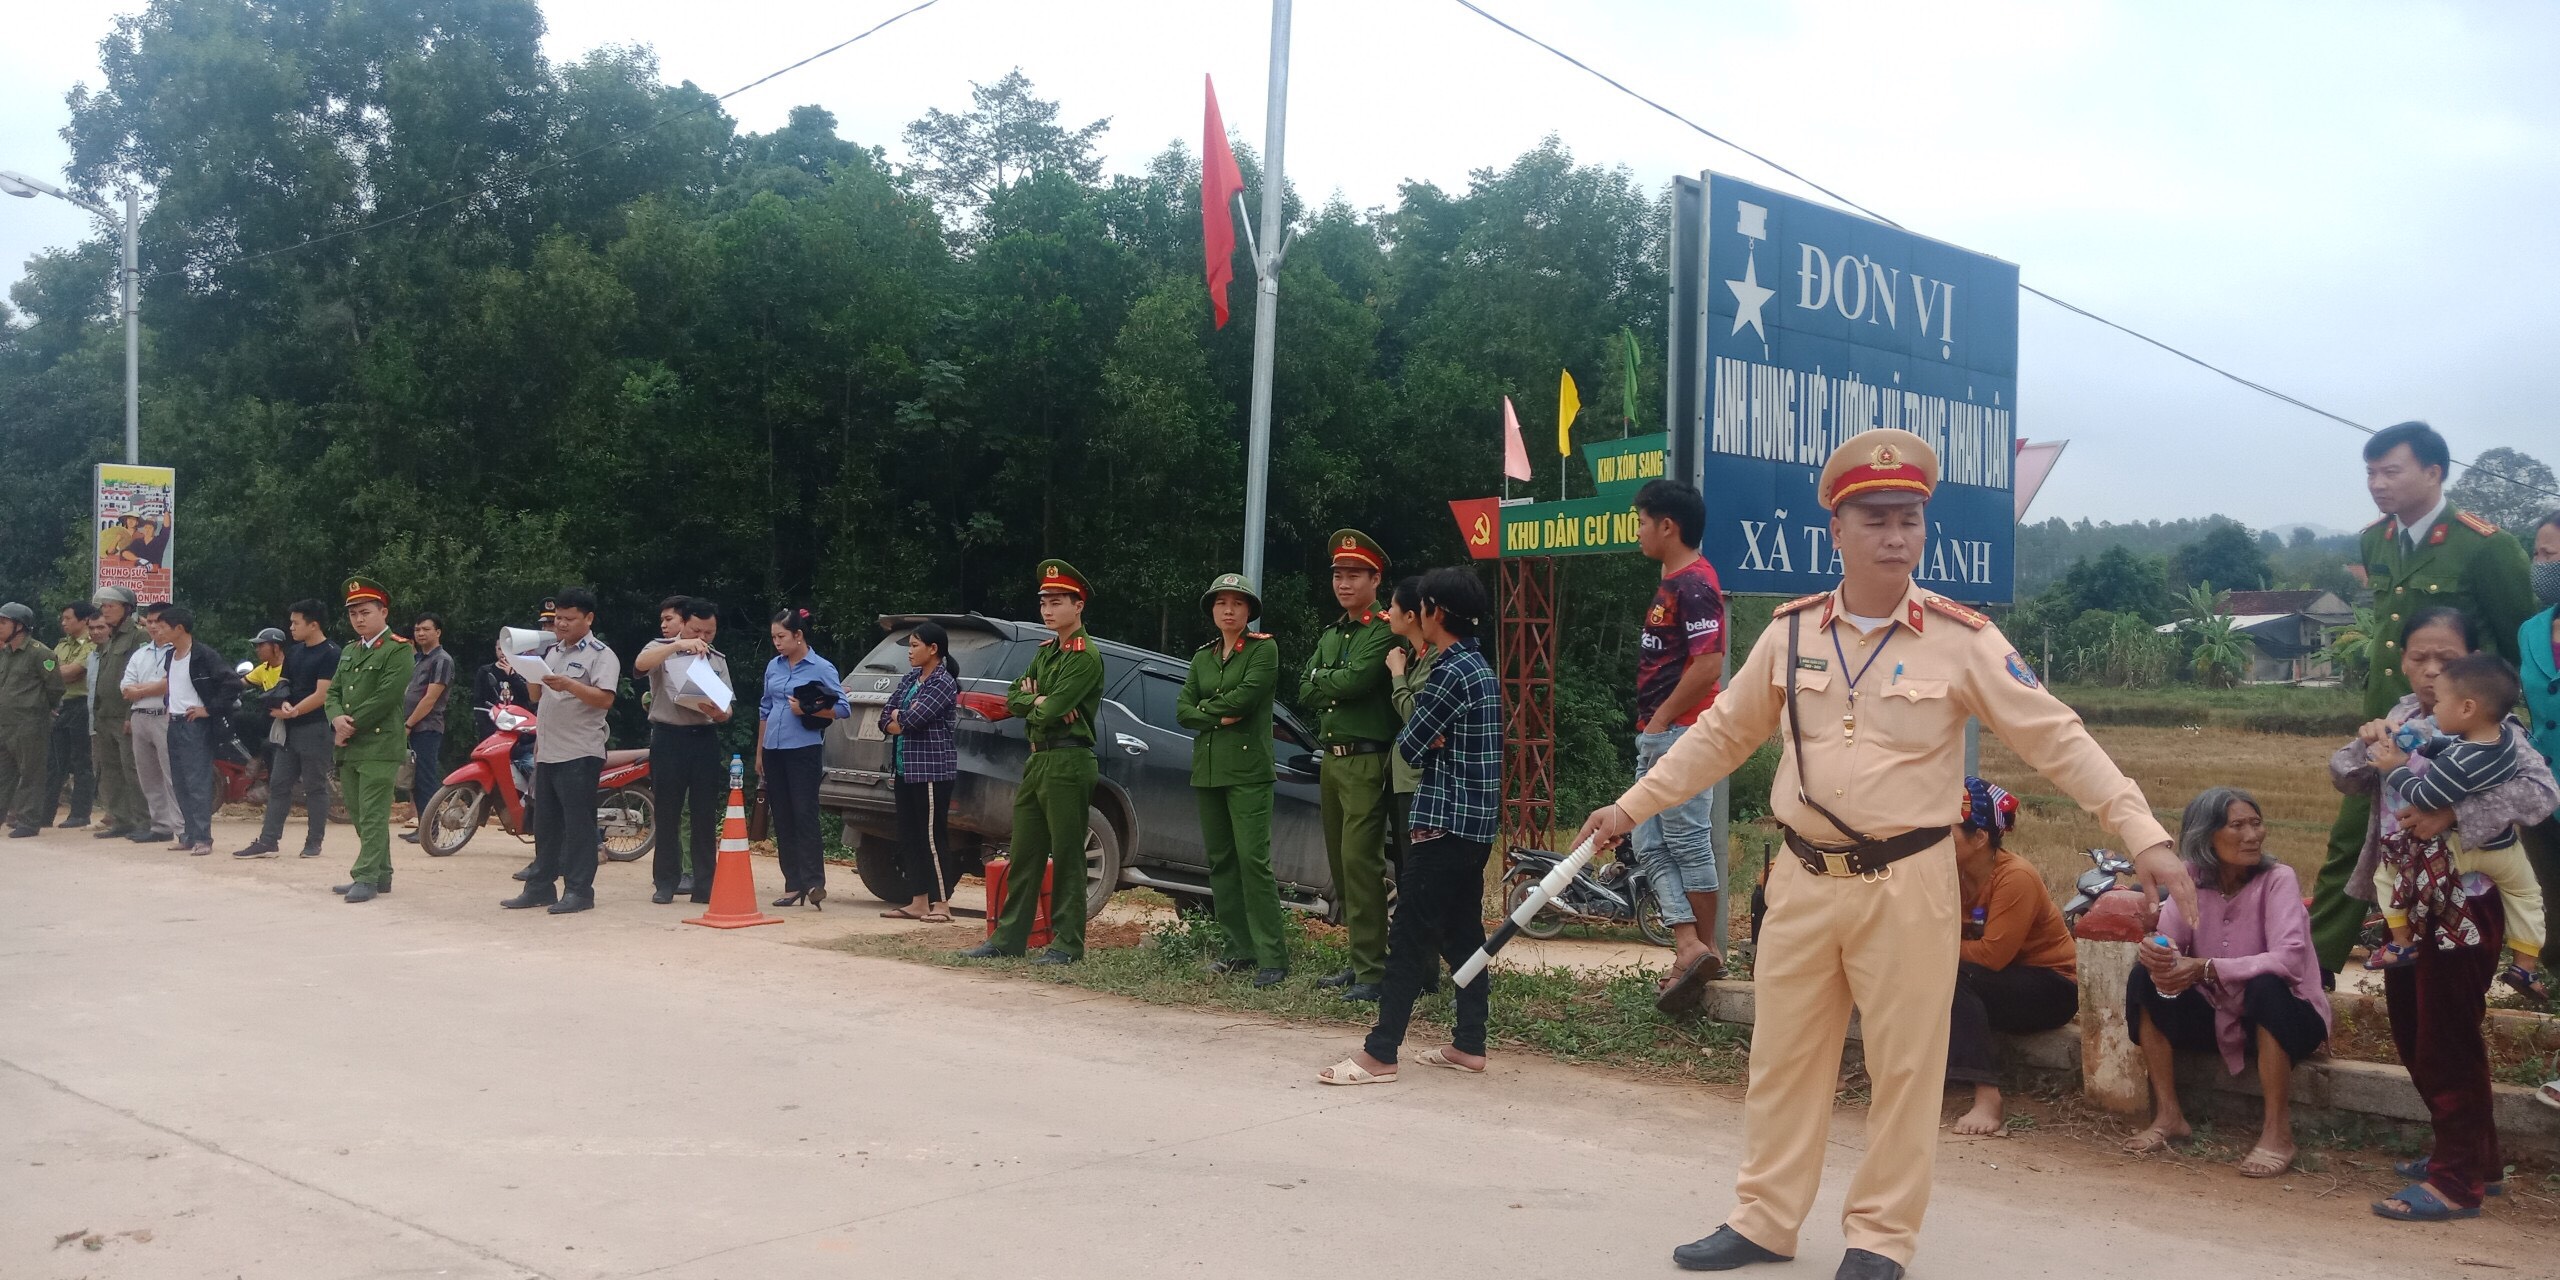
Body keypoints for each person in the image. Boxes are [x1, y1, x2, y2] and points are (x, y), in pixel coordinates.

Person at [1571, 428, 2192, 1280]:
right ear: (1836, 530)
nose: (1896, 536)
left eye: (1910, 519)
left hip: (1908, 882)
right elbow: (1719, 737)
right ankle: (1764, 1220)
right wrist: (1629, 806)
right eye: (1875, 519)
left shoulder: (1963, 639)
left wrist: (2142, 831)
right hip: (1802, 878)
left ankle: (1880, 1238)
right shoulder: (1790, 633)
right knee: (1782, 1060)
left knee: (1905, 1067)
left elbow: (2057, 736)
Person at [2327, 608, 2558, 1218]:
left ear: (2471, 670)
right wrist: (2368, 743)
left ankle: (2456, 1183)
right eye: (2418, 658)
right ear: (2402, 661)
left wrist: (2455, 813)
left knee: (2447, 1039)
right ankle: (2477, 1160)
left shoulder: (2497, 731)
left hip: (2465, 901)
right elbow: (2346, 776)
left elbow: (2542, 793)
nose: (2430, 671)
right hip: (2407, 902)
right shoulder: (2401, 719)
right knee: (2413, 1031)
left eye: (2446, 660)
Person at [2311, 422, 2536, 974]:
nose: (2377, 483)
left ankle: (2505, 969)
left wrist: (2495, 730)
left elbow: (2519, 648)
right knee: (2353, 843)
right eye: (2370, 472)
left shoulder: (2487, 547)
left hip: (2460, 737)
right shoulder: (2376, 540)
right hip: (2389, 728)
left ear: (2434, 473)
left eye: (2391, 471)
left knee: (2472, 855)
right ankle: (2313, 972)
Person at [1320, 566, 1502, 1086]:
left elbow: (1410, 744)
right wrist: (1428, 732)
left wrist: (1425, 733)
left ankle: (1380, 1053)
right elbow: (1425, 736)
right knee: (1462, 933)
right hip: (1473, 827)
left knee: (1408, 936)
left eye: (1421, 606)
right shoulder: (1477, 665)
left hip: (1442, 825)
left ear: (1434, 613)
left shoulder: (1447, 671)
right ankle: (1469, 1043)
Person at [2121, 789, 2331, 1178]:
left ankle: (2278, 1133)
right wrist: (2158, 952)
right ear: (2206, 835)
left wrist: (2207, 968)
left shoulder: (2278, 879)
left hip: (2285, 1017)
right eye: (2237, 826)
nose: (2252, 835)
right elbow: (2172, 943)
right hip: (2217, 1012)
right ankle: (2169, 1116)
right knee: (2143, 979)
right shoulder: (2189, 879)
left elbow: (2288, 960)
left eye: (2256, 824)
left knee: (2266, 985)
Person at [2366, 653, 2544, 995]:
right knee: (2525, 894)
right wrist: (2426, 743)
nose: (2434, 711)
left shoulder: (2458, 764)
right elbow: (2455, 744)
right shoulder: (2504, 738)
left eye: (2440, 703)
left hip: (2458, 847)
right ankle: (2525, 965)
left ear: (2466, 708)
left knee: (2388, 875)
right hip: (2503, 848)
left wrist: (2396, 767)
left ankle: (2401, 943)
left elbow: (2425, 797)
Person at [963, 561, 1104, 964]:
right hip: (1039, 758)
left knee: (1068, 855)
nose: (1047, 609)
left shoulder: (1084, 656)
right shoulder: (1046, 652)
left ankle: (1067, 944)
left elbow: (1053, 709)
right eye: (1044, 602)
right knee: (1024, 852)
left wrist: (1040, 702)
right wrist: (1038, 700)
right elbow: (1015, 697)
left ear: (1078, 606)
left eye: (1057, 602)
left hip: (1069, 759)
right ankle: (1009, 938)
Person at [1628, 478, 1733, 1014]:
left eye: (1642, 522)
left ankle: (1703, 948)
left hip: (1681, 732)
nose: (1638, 531)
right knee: (1648, 841)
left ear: (1668, 526)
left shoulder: (1694, 584)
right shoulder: (1674, 582)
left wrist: (1661, 720)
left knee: (1686, 842)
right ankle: (1689, 945)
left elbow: (1709, 663)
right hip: (1661, 732)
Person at [1943, 777, 2078, 1137]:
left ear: (1980, 837)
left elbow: (1992, 956)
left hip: (2051, 987)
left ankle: (1988, 1096)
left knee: (1952, 975)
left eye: (1947, 832)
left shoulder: (2015, 877)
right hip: (1993, 983)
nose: (1937, 839)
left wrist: (1932, 946)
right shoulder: (1949, 872)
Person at [1301, 529, 1402, 1002]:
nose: (1344, 583)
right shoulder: (1332, 633)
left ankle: (1373, 971)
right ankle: (1360, 959)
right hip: (1332, 760)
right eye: (1338, 574)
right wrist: (1330, 680)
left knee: (1362, 864)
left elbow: (1359, 680)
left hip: (1366, 759)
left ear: (1375, 579)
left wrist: (1327, 680)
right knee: (1341, 868)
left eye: (1354, 574)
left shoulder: (1383, 628)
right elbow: (1303, 687)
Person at [1177, 574, 1288, 985]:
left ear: (1248, 611)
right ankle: (1237, 950)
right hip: (1208, 770)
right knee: (1221, 862)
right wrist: (1216, 715)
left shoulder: (1263, 649)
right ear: (1212, 609)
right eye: (1221, 602)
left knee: (1253, 861)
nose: (1228, 610)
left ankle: (1272, 956)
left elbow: (1246, 697)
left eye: (1237, 603)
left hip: (1248, 771)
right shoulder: (1202, 657)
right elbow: (1182, 709)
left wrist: (1204, 710)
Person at [500, 588, 618, 915]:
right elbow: (536, 696)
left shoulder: (601, 655)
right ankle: (540, 887)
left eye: (569, 618)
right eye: (558, 619)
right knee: (546, 824)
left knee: (578, 825)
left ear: (588, 618)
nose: (562, 624)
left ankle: (579, 891)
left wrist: (570, 685)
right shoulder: (552, 652)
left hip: (579, 751)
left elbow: (605, 699)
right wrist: (527, 667)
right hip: (548, 751)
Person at [636, 596, 732, 906]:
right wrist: (678, 645)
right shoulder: (662, 649)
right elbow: (640, 664)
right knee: (667, 811)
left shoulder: (716, 659)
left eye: (709, 632)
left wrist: (720, 713)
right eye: (696, 631)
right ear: (683, 624)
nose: (702, 637)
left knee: (704, 813)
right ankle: (666, 882)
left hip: (704, 738)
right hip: (668, 738)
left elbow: (728, 708)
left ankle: (704, 885)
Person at [323, 580, 414, 904]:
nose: (359, 619)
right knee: (360, 813)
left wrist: (350, 724)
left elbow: (387, 696)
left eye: (365, 612)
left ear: (383, 612)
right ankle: (381, 873)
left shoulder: (399, 649)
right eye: (353, 614)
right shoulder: (350, 650)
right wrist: (336, 718)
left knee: (373, 813)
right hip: (350, 745)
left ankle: (365, 876)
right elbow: (333, 692)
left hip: (379, 744)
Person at [233, 599, 338, 859]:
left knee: (315, 786)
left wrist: (295, 710)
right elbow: (283, 684)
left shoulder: (331, 653)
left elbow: (323, 694)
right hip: (287, 729)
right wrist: (280, 704)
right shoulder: (295, 653)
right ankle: (268, 841)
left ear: (313, 625)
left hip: (315, 727)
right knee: (279, 784)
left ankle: (314, 842)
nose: (291, 627)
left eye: (295, 622)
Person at [756, 606, 840, 910]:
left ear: (798, 635)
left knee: (804, 813)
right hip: (774, 749)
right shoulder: (773, 666)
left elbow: (842, 708)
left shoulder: (821, 667)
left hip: (804, 749)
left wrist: (806, 709)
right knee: (783, 816)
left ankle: (814, 882)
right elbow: (765, 708)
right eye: (773, 637)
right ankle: (793, 884)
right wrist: (759, 751)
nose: (777, 643)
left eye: (782, 637)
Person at [881, 621, 963, 924]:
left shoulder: (943, 682)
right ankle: (918, 901)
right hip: (904, 769)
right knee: (910, 835)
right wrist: (898, 718)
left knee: (931, 836)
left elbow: (914, 719)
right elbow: (884, 717)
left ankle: (942, 904)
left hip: (931, 771)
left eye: (915, 645)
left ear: (933, 649)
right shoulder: (910, 679)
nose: (910, 651)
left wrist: (900, 718)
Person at [2520, 511, 2560, 1105]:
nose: (2542, 565)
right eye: (2538, 554)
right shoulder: (2531, 630)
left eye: (2553, 555)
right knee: (2555, 930)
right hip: (2543, 801)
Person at [156, 606, 237, 856]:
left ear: (179, 628)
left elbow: (232, 683)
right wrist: (168, 705)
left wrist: (209, 710)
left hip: (195, 725)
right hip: (174, 722)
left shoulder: (203, 655)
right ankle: (188, 835)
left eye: (163, 626)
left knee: (197, 781)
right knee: (180, 781)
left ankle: (203, 838)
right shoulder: (170, 656)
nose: (158, 630)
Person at [87, 587, 150, 840]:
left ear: (127, 608)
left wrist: (129, 714)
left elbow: (142, 676)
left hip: (124, 714)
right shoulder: (110, 638)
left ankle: (144, 821)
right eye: (103, 606)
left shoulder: (138, 635)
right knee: (110, 771)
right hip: (104, 715)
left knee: (132, 770)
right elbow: (103, 677)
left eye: (111, 606)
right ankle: (121, 820)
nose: (105, 610)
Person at [119, 604, 182, 845]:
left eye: (159, 622)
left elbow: (169, 684)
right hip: (140, 716)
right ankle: (161, 826)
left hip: (165, 715)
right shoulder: (140, 653)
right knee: (148, 775)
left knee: (171, 773)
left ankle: (182, 826)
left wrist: (141, 689)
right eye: (150, 622)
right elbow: (125, 687)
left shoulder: (178, 651)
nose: (154, 626)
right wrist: (151, 688)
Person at [1383, 577, 1433, 868]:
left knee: (1415, 862)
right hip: (1402, 779)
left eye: (1392, 606)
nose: (1388, 612)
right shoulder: (1414, 655)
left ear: (1411, 615)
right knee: (1403, 860)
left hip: (1419, 780)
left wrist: (1397, 674)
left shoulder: (1434, 658)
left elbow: (1415, 717)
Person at [0, 603, 59, 837]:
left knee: (31, 773)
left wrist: (41, 710)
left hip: (30, 723)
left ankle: (28, 820)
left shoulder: (40, 653)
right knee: (4, 773)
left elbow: (55, 688)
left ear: (19, 626)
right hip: (5, 723)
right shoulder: (5, 653)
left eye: (3, 622)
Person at [40, 602, 98, 830]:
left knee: (80, 760)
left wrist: (51, 672)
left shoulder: (91, 643)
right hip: (60, 705)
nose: (63, 623)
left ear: (84, 620)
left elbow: (75, 672)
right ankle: (44, 813)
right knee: (54, 762)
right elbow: (52, 671)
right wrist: (54, 673)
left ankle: (80, 813)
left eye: (68, 618)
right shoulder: (62, 644)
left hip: (81, 704)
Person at [397, 612, 453, 824]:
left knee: (426, 780)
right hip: (411, 726)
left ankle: (431, 829)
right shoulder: (418, 659)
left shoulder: (441, 660)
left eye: (426, 629)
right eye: (417, 629)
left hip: (426, 727)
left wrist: (409, 724)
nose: (420, 633)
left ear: (438, 632)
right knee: (415, 780)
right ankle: (423, 826)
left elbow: (430, 699)